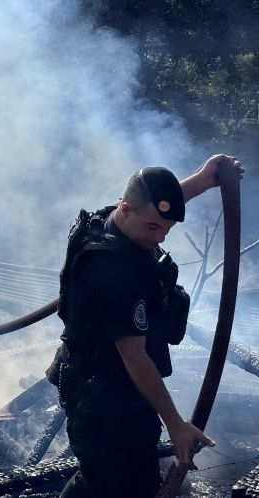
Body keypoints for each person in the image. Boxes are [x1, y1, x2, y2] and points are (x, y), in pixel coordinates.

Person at [46, 154, 243, 497]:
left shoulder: (111, 217)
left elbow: (152, 204)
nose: (161, 238)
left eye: (166, 230)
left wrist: (202, 178)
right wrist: (177, 426)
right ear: (125, 211)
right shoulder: (113, 272)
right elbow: (135, 357)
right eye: (154, 229)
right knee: (103, 483)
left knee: (137, 477)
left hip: (119, 387)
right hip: (101, 394)